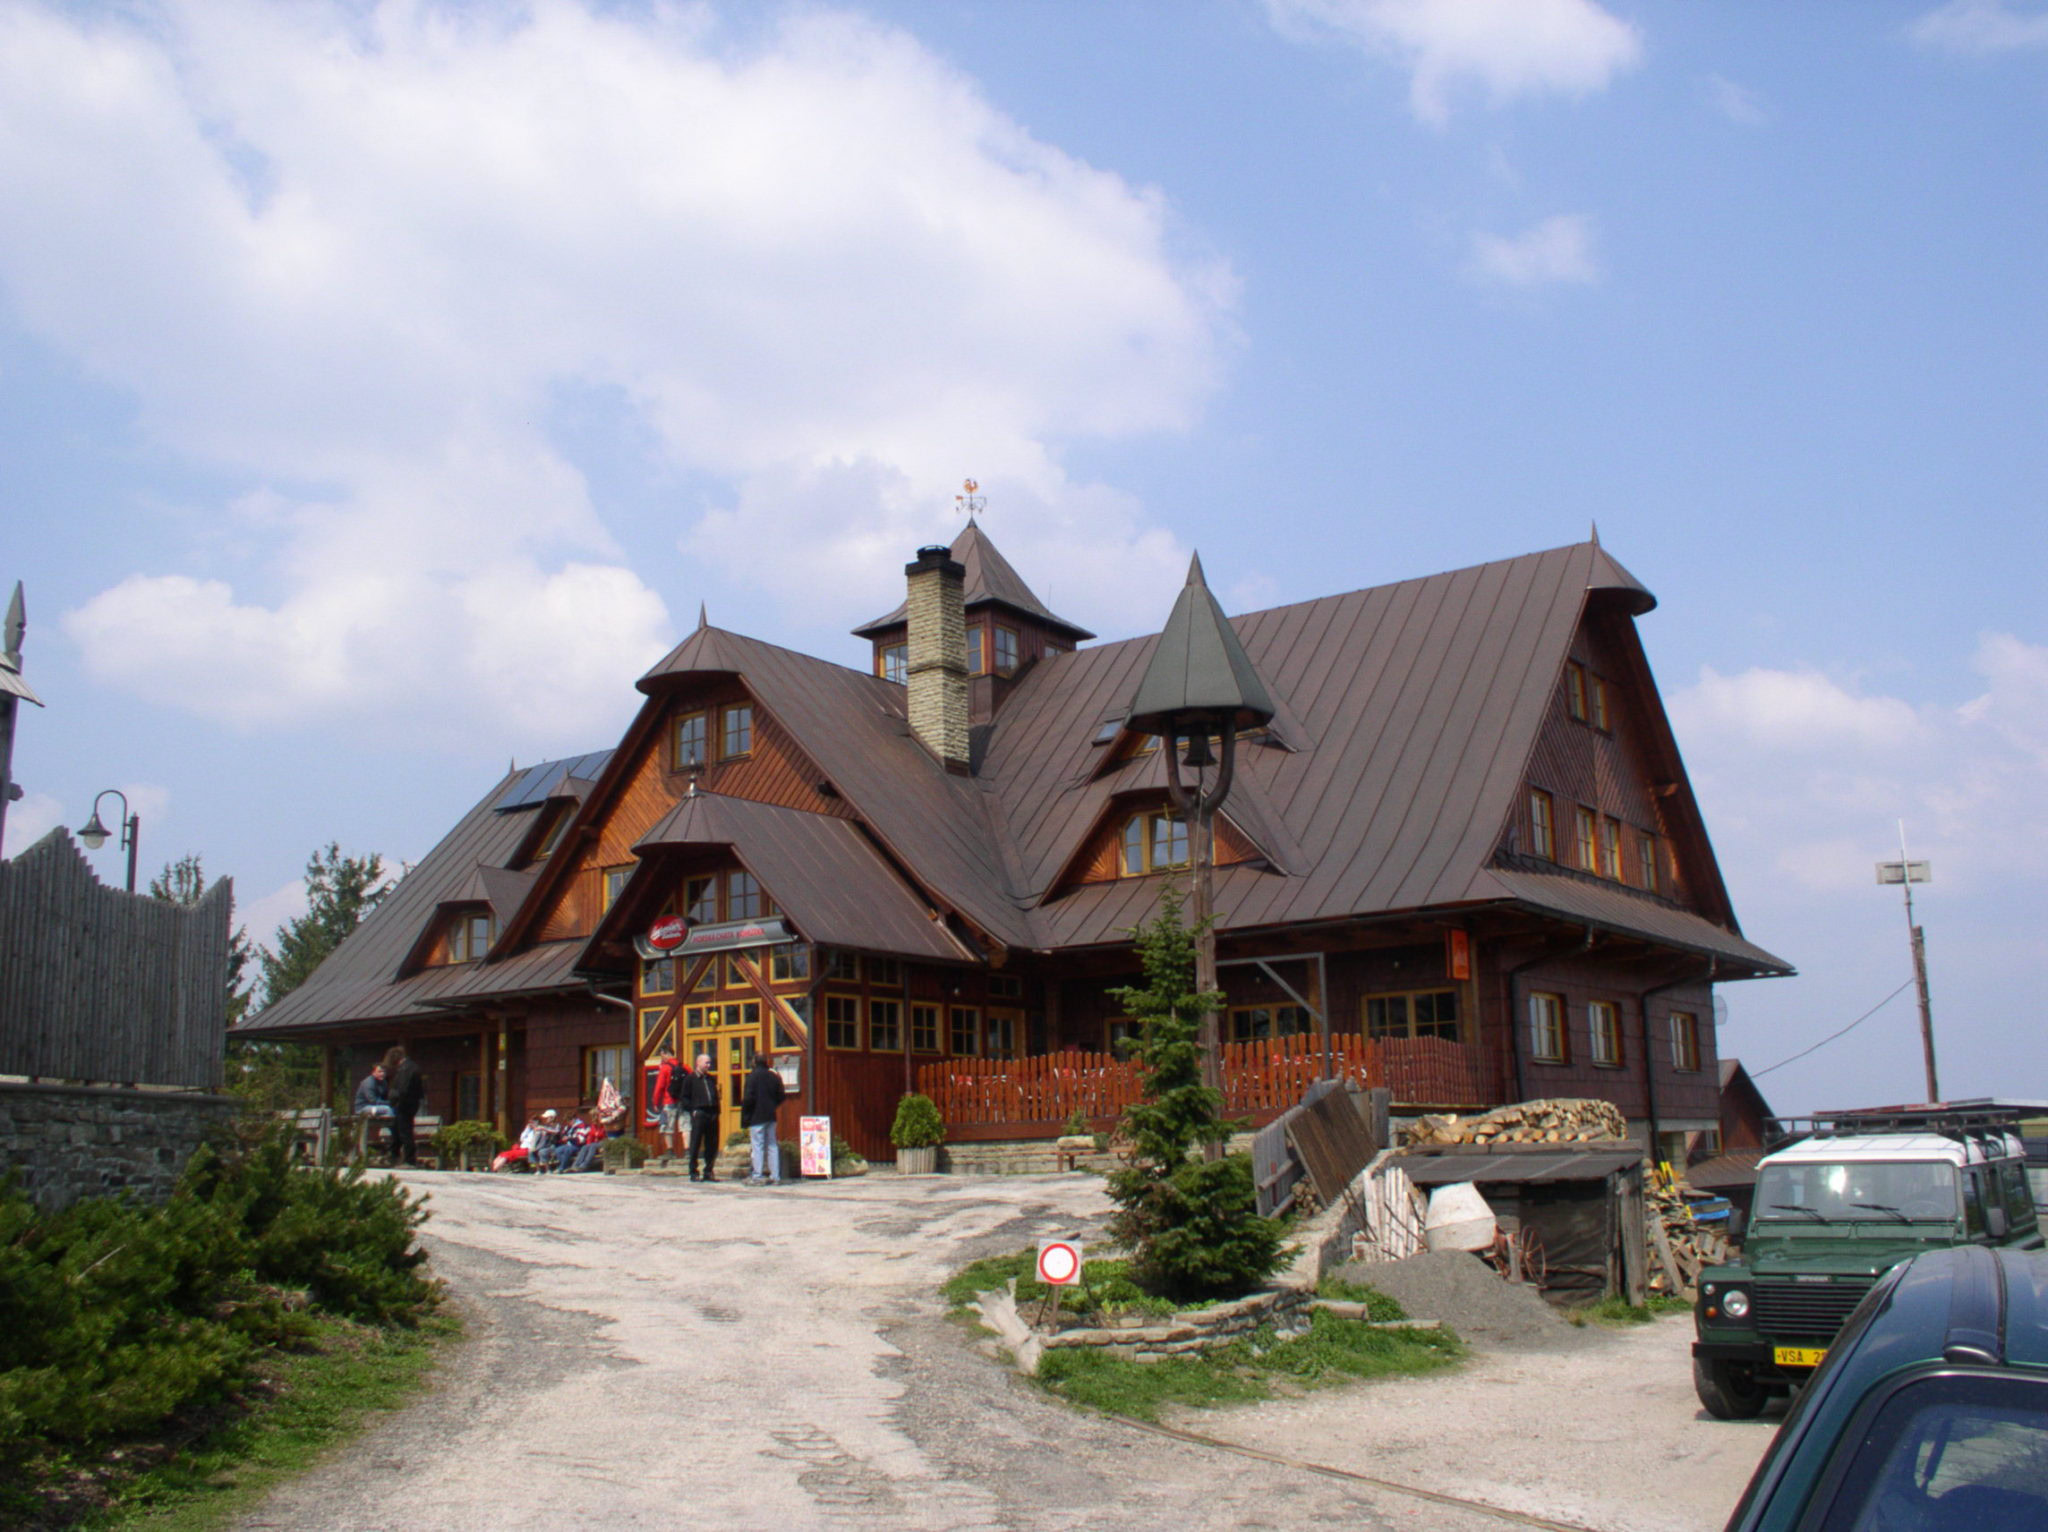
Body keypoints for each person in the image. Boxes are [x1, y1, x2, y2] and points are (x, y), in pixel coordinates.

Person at [742, 1051, 786, 1186]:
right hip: (770, 1115)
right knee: (772, 1145)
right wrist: (773, 1105)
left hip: (756, 1116)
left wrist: (746, 1115)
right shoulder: (773, 1076)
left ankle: (757, 1175)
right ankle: (775, 1176)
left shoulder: (752, 1077)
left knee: (758, 1146)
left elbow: (748, 1098)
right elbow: (781, 1095)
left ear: (754, 1062)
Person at [384, 1045, 425, 1167]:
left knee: (405, 1132)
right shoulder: (412, 1067)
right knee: (397, 1129)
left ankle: (409, 1160)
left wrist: (392, 1098)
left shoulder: (406, 1069)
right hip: (411, 1103)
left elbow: (402, 1089)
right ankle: (393, 1155)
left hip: (405, 1104)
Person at [685, 1053, 721, 1182]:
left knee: (712, 1143)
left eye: (710, 1063)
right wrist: (693, 1110)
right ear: (698, 1063)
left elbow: (715, 1095)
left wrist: (717, 1111)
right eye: (706, 1063)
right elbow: (684, 1098)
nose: (708, 1065)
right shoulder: (690, 1079)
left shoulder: (711, 1079)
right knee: (696, 1142)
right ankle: (693, 1171)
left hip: (712, 1113)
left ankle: (708, 1171)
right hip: (699, 1113)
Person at [651, 1047, 685, 1165]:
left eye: (662, 1055)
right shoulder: (683, 1066)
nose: (662, 1058)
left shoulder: (665, 1068)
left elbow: (659, 1087)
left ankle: (670, 1151)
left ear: (666, 1054)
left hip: (669, 1101)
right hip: (683, 1101)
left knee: (667, 1127)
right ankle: (688, 1150)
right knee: (685, 1127)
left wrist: (655, 1102)